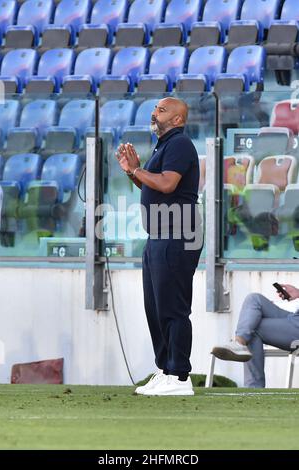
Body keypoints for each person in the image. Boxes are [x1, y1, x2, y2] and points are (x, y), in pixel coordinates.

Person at [116, 97, 203, 396]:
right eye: (154, 109)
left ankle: (179, 377)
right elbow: (154, 184)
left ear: (178, 120)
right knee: (155, 307)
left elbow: (167, 184)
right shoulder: (164, 146)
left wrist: (136, 171)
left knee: (172, 307)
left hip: (178, 233)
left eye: (162, 110)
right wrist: (134, 171)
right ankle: (165, 369)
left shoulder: (179, 144)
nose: (154, 113)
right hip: (159, 234)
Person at [212, 285, 299, 387]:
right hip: (294, 317)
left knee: (252, 326)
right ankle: (239, 343)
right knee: (254, 299)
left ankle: (253, 387)